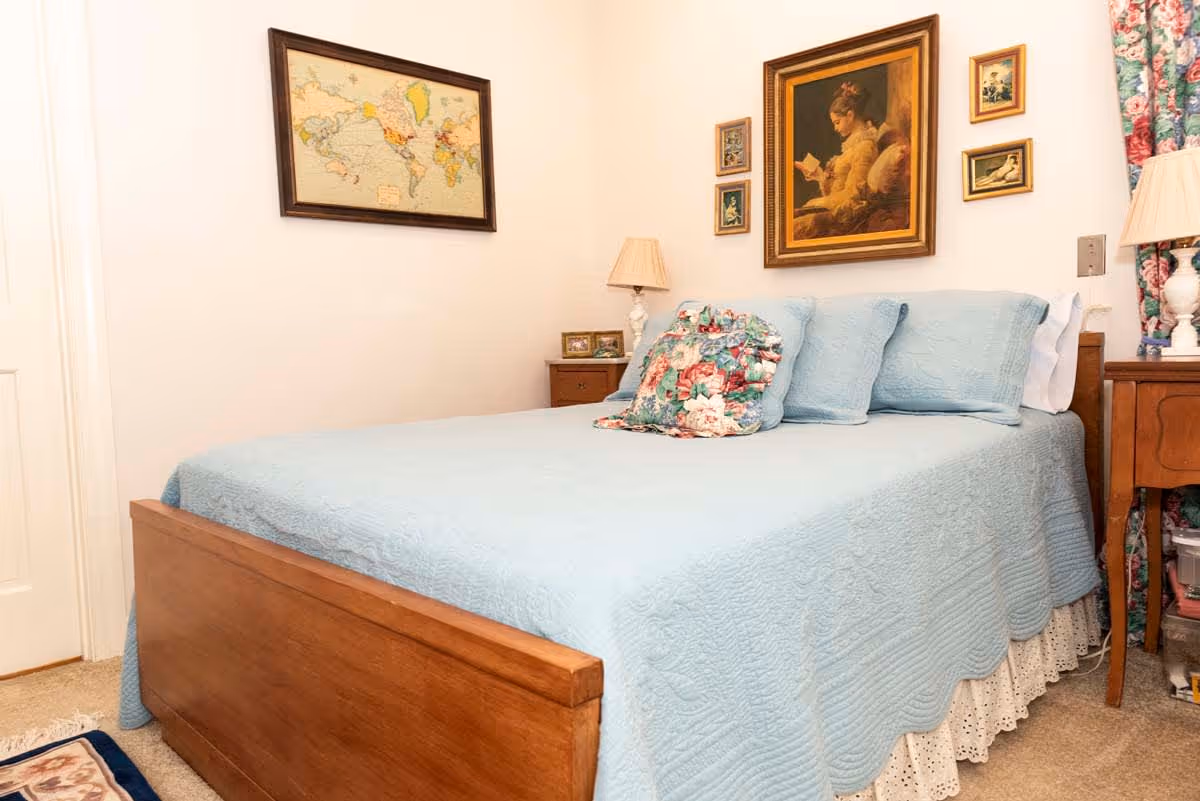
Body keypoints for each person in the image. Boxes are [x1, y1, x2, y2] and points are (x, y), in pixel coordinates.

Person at [792, 81, 879, 240]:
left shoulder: (865, 147)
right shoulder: (852, 147)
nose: (835, 128)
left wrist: (818, 202)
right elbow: (838, 188)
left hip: (842, 216)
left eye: (837, 122)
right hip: (832, 207)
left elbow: (854, 195)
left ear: (850, 115)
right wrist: (819, 176)